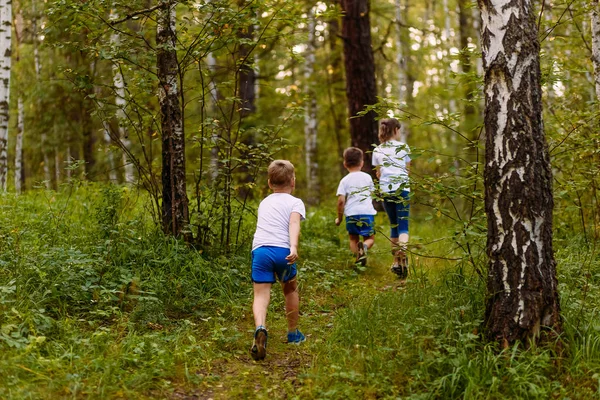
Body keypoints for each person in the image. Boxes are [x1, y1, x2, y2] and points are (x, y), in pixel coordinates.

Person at [250, 160, 306, 361]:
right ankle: (293, 333)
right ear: (293, 181)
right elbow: (293, 223)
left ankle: (260, 327)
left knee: (260, 295)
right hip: (283, 252)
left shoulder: (264, 202)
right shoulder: (295, 202)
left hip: (261, 251)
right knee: (290, 289)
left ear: (269, 183)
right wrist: (293, 246)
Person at [372, 118, 411, 279]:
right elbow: (408, 171)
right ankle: (403, 258)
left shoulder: (378, 150)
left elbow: (379, 173)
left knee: (393, 226)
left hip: (386, 191)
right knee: (403, 226)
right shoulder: (404, 147)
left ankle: (396, 262)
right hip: (402, 189)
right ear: (395, 130)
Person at [335, 147, 377, 266]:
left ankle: (358, 261)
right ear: (362, 163)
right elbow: (372, 194)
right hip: (367, 213)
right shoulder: (367, 177)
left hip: (351, 214)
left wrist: (340, 218)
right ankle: (364, 246)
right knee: (370, 238)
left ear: (345, 164)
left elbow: (341, 201)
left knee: (353, 239)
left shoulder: (344, 180)